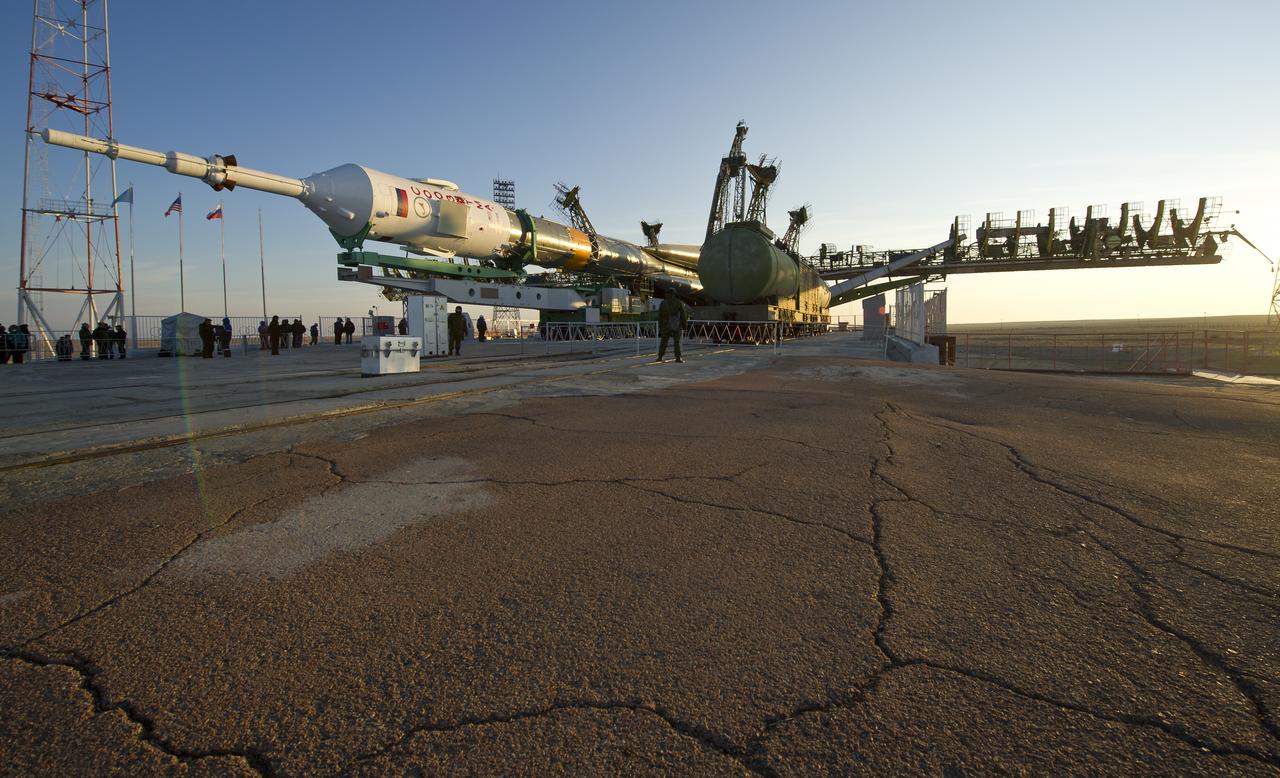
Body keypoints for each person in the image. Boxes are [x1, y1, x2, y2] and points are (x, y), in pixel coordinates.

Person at [656, 290, 688, 363]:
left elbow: (659, 316)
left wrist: (660, 327)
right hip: (676, 325)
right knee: (677, 342)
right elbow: (683, 315)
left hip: (665, 325)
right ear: (674, 294)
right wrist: (684, 326)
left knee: (663, 342)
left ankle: (660, 356)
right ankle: (678, 357)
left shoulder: (663, 303)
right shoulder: (678, 303)